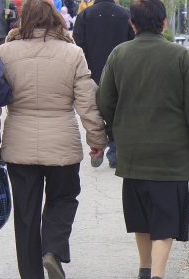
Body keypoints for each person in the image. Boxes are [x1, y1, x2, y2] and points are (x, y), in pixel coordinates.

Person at [96, 0, 189, 279]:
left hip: (133, 154)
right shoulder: (180, 56)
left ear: (132, 24)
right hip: (171, 156)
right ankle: (159, 276)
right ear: (164, 23)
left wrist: (115, 132)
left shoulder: (119, 55)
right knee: (165, 216)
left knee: (140, 213)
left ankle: (145, 266)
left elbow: (104, 100)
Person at [0, 0, 106, 279]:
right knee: (64, 198)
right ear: (56, 19)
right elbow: (87, 101)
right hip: (62, 142)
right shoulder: (73, 53)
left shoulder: (3, 54)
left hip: (18, 142)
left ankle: (31, 276)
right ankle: (52, 249)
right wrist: (96, 139)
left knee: (26, 209)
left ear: (22, 19)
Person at [73, 0, 134, 168]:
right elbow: (133, 43)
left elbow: (78, 46)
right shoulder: (125, 14)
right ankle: (114, 152)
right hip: (120, 72)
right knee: (117, 112)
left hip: (92, 72)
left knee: (95, 112)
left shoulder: (84, 15)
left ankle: (97, 145)